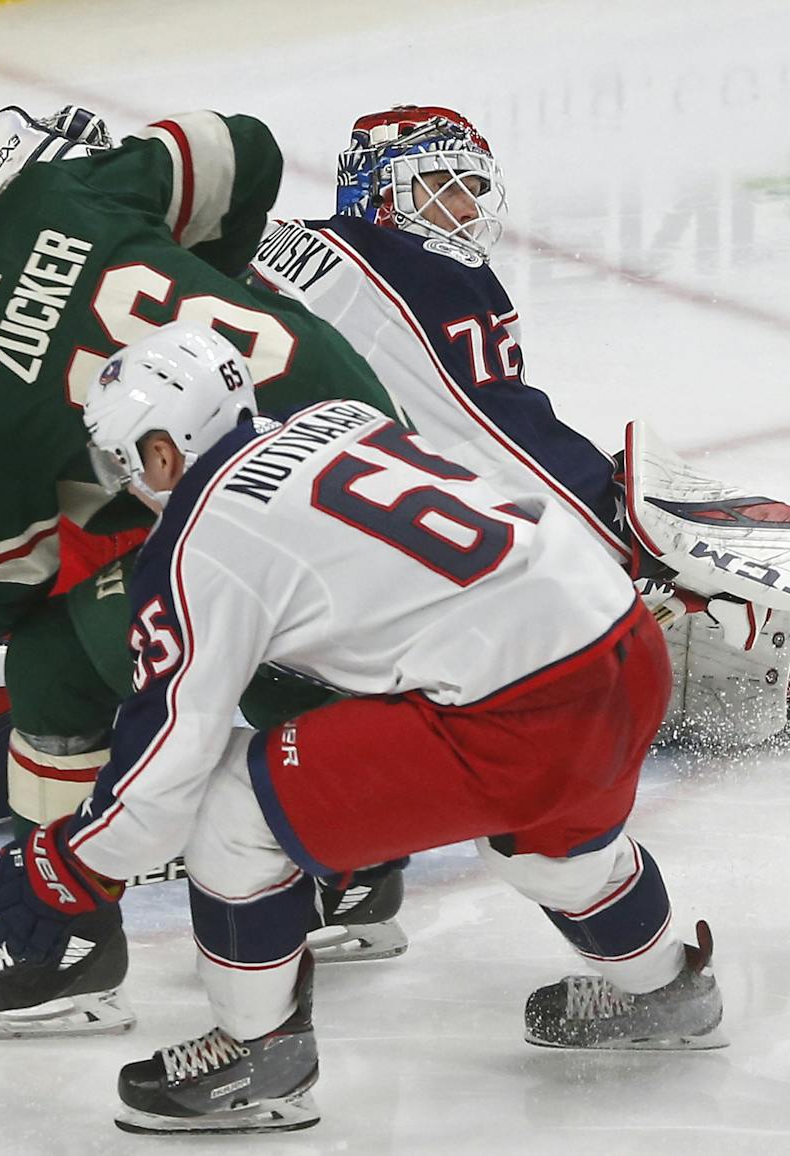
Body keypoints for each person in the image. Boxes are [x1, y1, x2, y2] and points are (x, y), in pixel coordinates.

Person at [0, 321, 725, 1135]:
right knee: (549, 844)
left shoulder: (201, 543)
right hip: (622, 644)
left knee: (230, 805)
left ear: (161, 450)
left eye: (124, 460)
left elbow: (165, 765)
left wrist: (71, 863)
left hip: (521, 710)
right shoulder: (331, 418)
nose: (125, 482)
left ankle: (258, 1059)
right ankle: (670, 988)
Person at [0, 108, 403, 1038]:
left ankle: (336, 837)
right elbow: (244, 147)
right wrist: (214, 278)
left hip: (277, 520)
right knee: (71, 646)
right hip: (364, 432)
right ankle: (335, 854)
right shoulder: (55, 192)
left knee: (89, 637)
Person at [247, 104, 789, 747]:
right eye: (439, 186)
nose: (464, 208)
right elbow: (493, 433)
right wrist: (623, 542)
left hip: (254, 547)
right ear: (377, 190)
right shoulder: (424, 269)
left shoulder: (279, 239)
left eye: (472, 188)